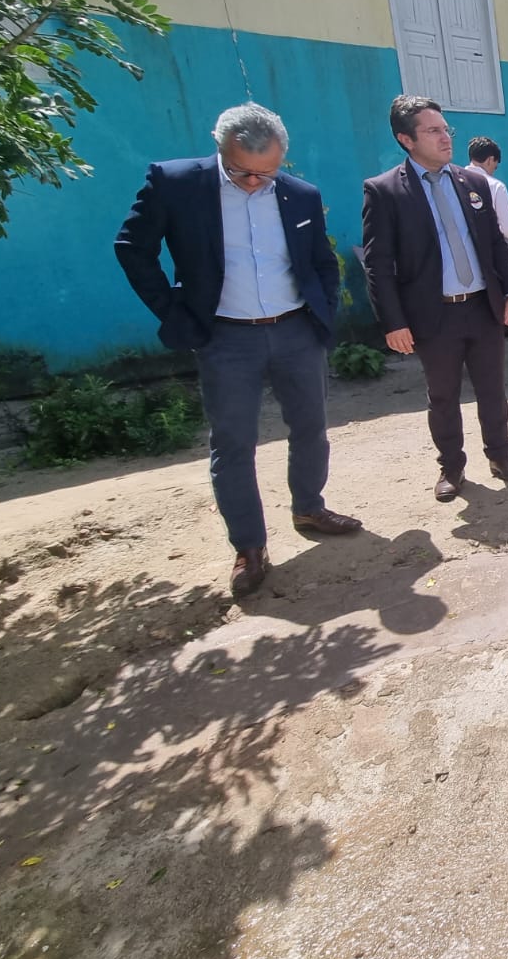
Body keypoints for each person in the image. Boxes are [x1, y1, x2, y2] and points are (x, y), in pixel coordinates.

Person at [114, 103, 363, 595]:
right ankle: (249, 546)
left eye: (264, 174)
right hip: (225, 337)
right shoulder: (175, 183)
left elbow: (321, 260)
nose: (252, 182)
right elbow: (132, 247)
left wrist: (323, 310)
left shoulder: (300, 194)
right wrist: (173, 311)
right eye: (240, 171)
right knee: (233, 444)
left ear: (281, 159)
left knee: (311, 429)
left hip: (296, 331)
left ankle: (309, 508)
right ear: (220, 148)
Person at [361, 96, 508, 502]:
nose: (445, 137)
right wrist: (393, 322)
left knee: (493, 389)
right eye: (432, 131)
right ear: (406, 139)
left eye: (445, 129)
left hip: (482, 307)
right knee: (443, 396)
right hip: (433, 314)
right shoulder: (385, 191)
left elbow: (495, 244)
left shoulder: (473, 183)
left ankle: (500, 455)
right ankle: (451, 467)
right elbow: (378, 264)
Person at [466, 136, 508, 239]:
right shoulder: (496, 187)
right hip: (486, 246)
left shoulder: (452, 180)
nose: (493, 172)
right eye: (495, 167)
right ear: (490, 160)